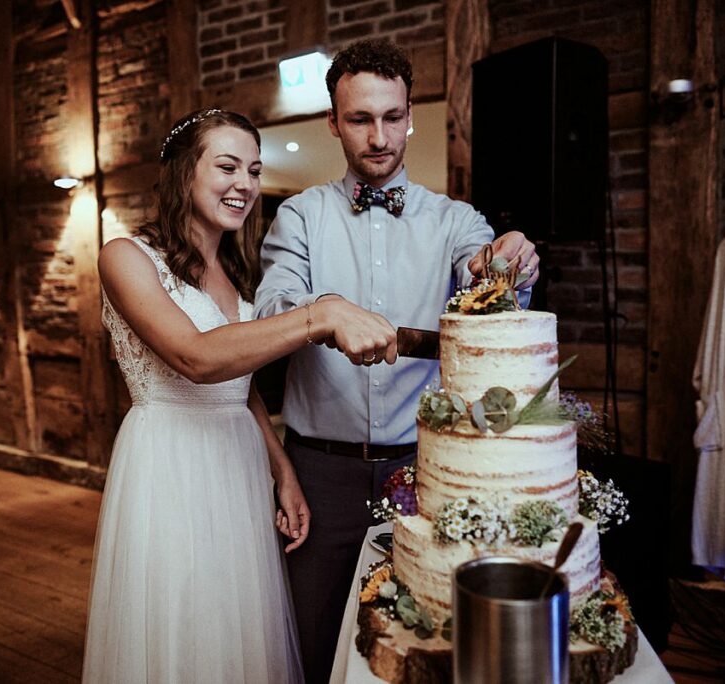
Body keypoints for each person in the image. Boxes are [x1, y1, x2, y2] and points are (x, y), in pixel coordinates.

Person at [254, 39, 540, 683]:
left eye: (392, 117)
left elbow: (484, 273)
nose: (379, 136)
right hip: (317, 476)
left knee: (422, 642)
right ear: (333, 122)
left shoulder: (454, 219)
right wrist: (325, 309)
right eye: (360, 119)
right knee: (314, 639)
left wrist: (509, 258)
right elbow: (275, 302)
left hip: (424, 471)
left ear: (411, 115)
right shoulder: (299, 215)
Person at [81, 108, 398, 684]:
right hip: (170, 463)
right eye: (227, 166)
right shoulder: (125, 257)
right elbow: (197, 358)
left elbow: (240, 385)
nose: (246, 184)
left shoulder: (235, 270)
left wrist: (282, 469)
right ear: (183, 173)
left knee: (238, 621)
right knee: (184, 617)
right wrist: (321, 314)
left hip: (237, 461)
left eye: (254, 170)